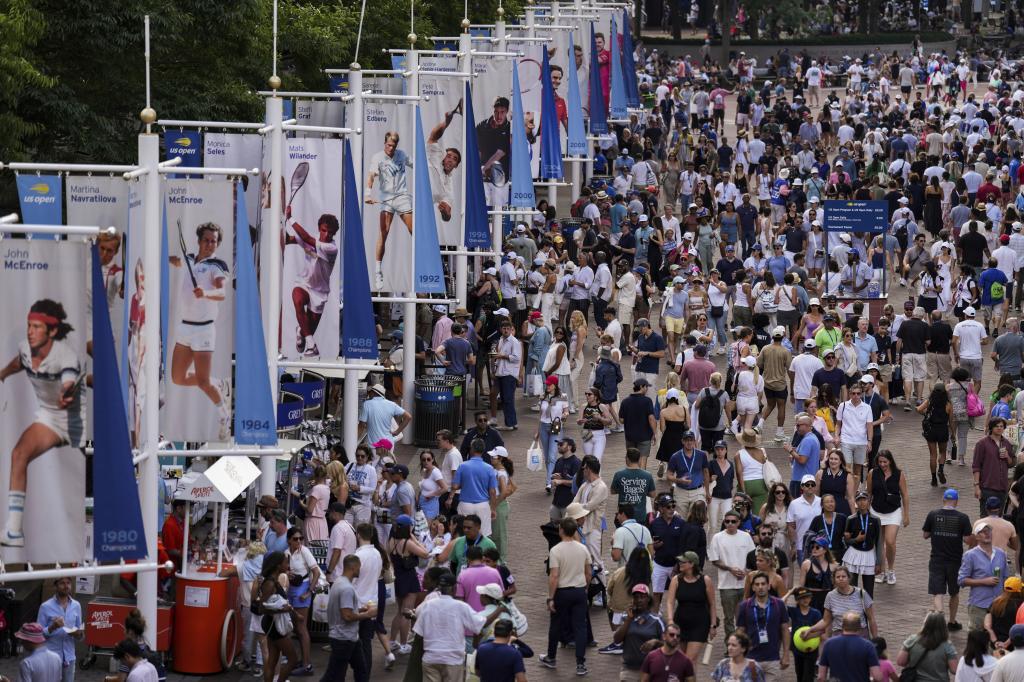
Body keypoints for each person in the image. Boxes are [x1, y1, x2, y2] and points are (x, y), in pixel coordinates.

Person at [0, 300, 85, 547]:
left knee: (87, 471)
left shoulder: (66, 356)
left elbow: (68, 379)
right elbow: (19, 362)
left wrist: (67, 391)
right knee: (18, 454)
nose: (30, 331)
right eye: (29, 325)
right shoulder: (25, 349)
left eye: (36, 327)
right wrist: (2, 375)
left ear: (52, 331)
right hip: (50, 417)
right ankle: (14, 530)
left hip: (76, 418)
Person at [166, 223, 232, 434]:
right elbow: (174, 261)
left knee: (202, 382)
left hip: (204, 330)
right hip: (185, 328)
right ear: (199, 241)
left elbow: (221, 293)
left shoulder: (217, 266)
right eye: (207, 240)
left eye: (214, 241)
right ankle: (217, 383)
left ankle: (224, 414)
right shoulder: (190, 259)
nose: (210, 244)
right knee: (177, 378)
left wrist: (205, 293)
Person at [539, 517, 594, 676]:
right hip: (579, 591)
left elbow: (554, 576)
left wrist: (551, 597)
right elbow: (588, 573)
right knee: (580, 627)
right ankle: (580, 663)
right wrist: (585, 588)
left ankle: (551, 657)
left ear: (561, 530)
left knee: (556, 624)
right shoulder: (582, 548)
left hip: (562, 592)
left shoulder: (556, 550)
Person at [413, 570, 486, 681]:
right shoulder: (461, 607)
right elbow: (479, 624)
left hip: (431, 658)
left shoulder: (428, 605)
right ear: (454, 588)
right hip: (453, 659)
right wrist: (499, 609)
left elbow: (419, 633)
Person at [923, 489, 973, 631]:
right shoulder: (963, 518)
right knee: (954, 592)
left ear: (943, 500)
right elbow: (968, 540)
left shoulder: (933, 514)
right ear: (956, 502)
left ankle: (939, 618)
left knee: (937, 592)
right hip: (955, 561)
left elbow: (925, 535)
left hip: (937, 559)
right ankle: (952, 622)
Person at [734, 571, 790, 681]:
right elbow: (740, 632)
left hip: (773, 659)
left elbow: (785, 629)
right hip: (750, 658)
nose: (760, 587)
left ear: (769, 586)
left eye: (763, 584)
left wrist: (786, 654)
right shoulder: (745, 606)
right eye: (757, 584)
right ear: (753, 588)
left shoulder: (779, 604)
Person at [664, 550, 717, 665]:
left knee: (690, 659)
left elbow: (712, 603)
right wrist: (670, 620)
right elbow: (670, 602)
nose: (680, 564)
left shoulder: (705, 580)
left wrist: (713, 625)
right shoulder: (676, 580)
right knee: (682, 659)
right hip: (681, 623)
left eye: (683, 562)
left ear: (692, 564)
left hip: (700, 624)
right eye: (679, 561)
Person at [709, 509, 756, 637]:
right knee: (729, 618)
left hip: (745, 584)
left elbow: (753, 558)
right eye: (727, 521)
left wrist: (746, 571)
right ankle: (730, 645)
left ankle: (744, 644)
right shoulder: (717, 538)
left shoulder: (746, 537)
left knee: (744, 617)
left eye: (733, 521)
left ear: (739, 522)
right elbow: (714, 560)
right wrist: (730, 569)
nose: (730, 524)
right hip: (726, 585)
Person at [868, 450, 910, 585]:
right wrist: (866, 512)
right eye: (880, 462)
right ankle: (881, 570)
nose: (882, 464)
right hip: (876, 510)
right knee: (879, 543)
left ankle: (891, 570)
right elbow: (869, 494)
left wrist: (906, 515)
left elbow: (905, 495)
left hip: (893, 511)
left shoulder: (899, 474)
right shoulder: (872, 473)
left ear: (890, 461)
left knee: (890, 541)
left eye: (885, 462)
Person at [959, 523, 1010, 632]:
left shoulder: (1001, 554)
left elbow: (1006, 578)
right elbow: (961, 580)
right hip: (979, 605)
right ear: (977, 537)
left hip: (998, 605)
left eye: (989, 531)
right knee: (977, 640)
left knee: (996, 639)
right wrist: (983, 581)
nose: (987, 534)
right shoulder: (970, 555)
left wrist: (1006, 597)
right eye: (983, 532)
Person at [804, 565, 878, 640]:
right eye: (838, 577)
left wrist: (876, 640)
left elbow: (871, 619)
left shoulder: (862, 594)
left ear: (849, 578)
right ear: (834, 580)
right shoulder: (830, 596)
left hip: (860, 635)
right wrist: (810, 629)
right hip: (839, 636)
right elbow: (825, 621)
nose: (841, 579)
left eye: (843, 576)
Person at [613, 584, 665, 680]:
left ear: (648, 599)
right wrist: (629, 619)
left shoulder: (657, 620)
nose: (639, 600)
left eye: (642, 597)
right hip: (629, 669)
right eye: (636, 597)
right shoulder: (626, 617)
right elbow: (616, 640)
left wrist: (656, 642)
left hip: (651, 669)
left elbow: (668, 644)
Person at [37, 576, 83, 682]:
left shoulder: (77, 605)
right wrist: (52, 627)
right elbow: (38, 635)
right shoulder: (45, 607)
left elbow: (80, 633)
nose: (66, 586)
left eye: (68, 583)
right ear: (56, 586)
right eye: (62, 583)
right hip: (50, 658)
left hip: (69, 657)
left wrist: (77, 634)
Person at [816, 612, 883, 682]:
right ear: (860, 627)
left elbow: (821, 677)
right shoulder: (868, 646)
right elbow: (877, 676)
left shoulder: (829, 644)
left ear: (842, 626)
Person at [452, 439, 498, 538]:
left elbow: (455, 486)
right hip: (483, 505)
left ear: (472, 449)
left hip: (465, 504)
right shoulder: (489, 468)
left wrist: (465, 483)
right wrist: (493, 509)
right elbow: (492, 491)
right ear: (483, 450)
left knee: (463, 535)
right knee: (483, 536)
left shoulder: (463, 466)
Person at [895, 611, 959, 682]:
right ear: (943, 627)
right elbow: (954, 670)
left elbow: (900, 662)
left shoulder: (913, 640)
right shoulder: (947, 646)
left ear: (925, 624)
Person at [973, 418, 1014, 517]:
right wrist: (977, 487)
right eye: (997, 426)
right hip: (987, 486)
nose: (999, 428)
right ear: (991, 427)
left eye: (1001, 426)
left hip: (1002, 487)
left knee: (998, 517)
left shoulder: (1007, 443)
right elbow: (976, 466)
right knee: (985, 516)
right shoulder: (982, 444)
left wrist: (1007, 456)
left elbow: (1011, 463)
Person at [666, 430, 710, 519]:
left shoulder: (701, 455)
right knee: (681, 520)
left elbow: (706, 472)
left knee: (698, 518)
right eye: (686, 440)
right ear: (682, 441)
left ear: (694, 441)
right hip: (681, 492)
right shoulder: (675, 456)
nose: (689, 442)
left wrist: (707, 492)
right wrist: (679, 480)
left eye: (691, 440)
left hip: (698, 492)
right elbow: (668, 475)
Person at [836, 382, 874, 480]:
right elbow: (838, 424)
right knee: (847, 468)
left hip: (861, 442)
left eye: (858, 393)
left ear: (861, 394)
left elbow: (869, 426)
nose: (855, 396)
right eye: (853, 393)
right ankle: (848, 490)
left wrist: (869, 441)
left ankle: (855, 491)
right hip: (846, 440)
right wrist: (837, 436)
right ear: (849, 394)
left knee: (857, 470)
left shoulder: (867, 408)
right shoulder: (842, 406)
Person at [619, 379, 658, 468]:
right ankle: (642, 479)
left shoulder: (625, 401)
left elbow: (621, 420)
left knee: (631, 459)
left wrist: (630, 419)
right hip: (644, 436)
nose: (647, 389)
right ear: (641, 387)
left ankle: (631, 478)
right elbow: (651, 418)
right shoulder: (647, 401)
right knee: (642, 459)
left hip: (630, 436)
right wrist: (654, 433)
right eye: (646, 387)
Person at [611, 447, 656, 524]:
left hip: (624, 516)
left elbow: (612, 491)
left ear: (627, 459)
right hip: (640, 516)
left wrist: (624, 489)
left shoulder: (619, 474)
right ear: (639, 459)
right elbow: (653, 494)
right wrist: (641, 490)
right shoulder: (647, 475)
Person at [492, 320, 522, 431]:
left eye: (507, 328)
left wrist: (502, 356)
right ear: (501, 329)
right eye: (503, 328)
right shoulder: (500, 340)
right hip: (501, 372)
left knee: (508, 399)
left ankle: (510, 423)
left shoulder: (514, 342)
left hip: (509, 373)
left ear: (511, 329)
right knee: (505, 399)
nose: (505, 330)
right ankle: (512, 423)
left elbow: (516, 358)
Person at [984, 577, 1024, 651]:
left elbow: (987, 625)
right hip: (1014, 646)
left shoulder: (996, 602)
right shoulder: (1021, 605)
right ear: (1019, 590)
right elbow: (1020, 625)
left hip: (995, 645)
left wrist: (995, 641)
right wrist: (1006, 643)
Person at [550, 437, 581, 521]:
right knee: (553, 530)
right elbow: (554, 476)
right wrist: (553, 477)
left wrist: (561, 481)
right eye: (558, 444)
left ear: (570, 447)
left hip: (569, 504)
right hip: (556, 502)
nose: (558, 446)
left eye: (561, 444)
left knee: (567, 531)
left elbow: (577, 483)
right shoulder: (559, 460)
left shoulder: (576, 463)